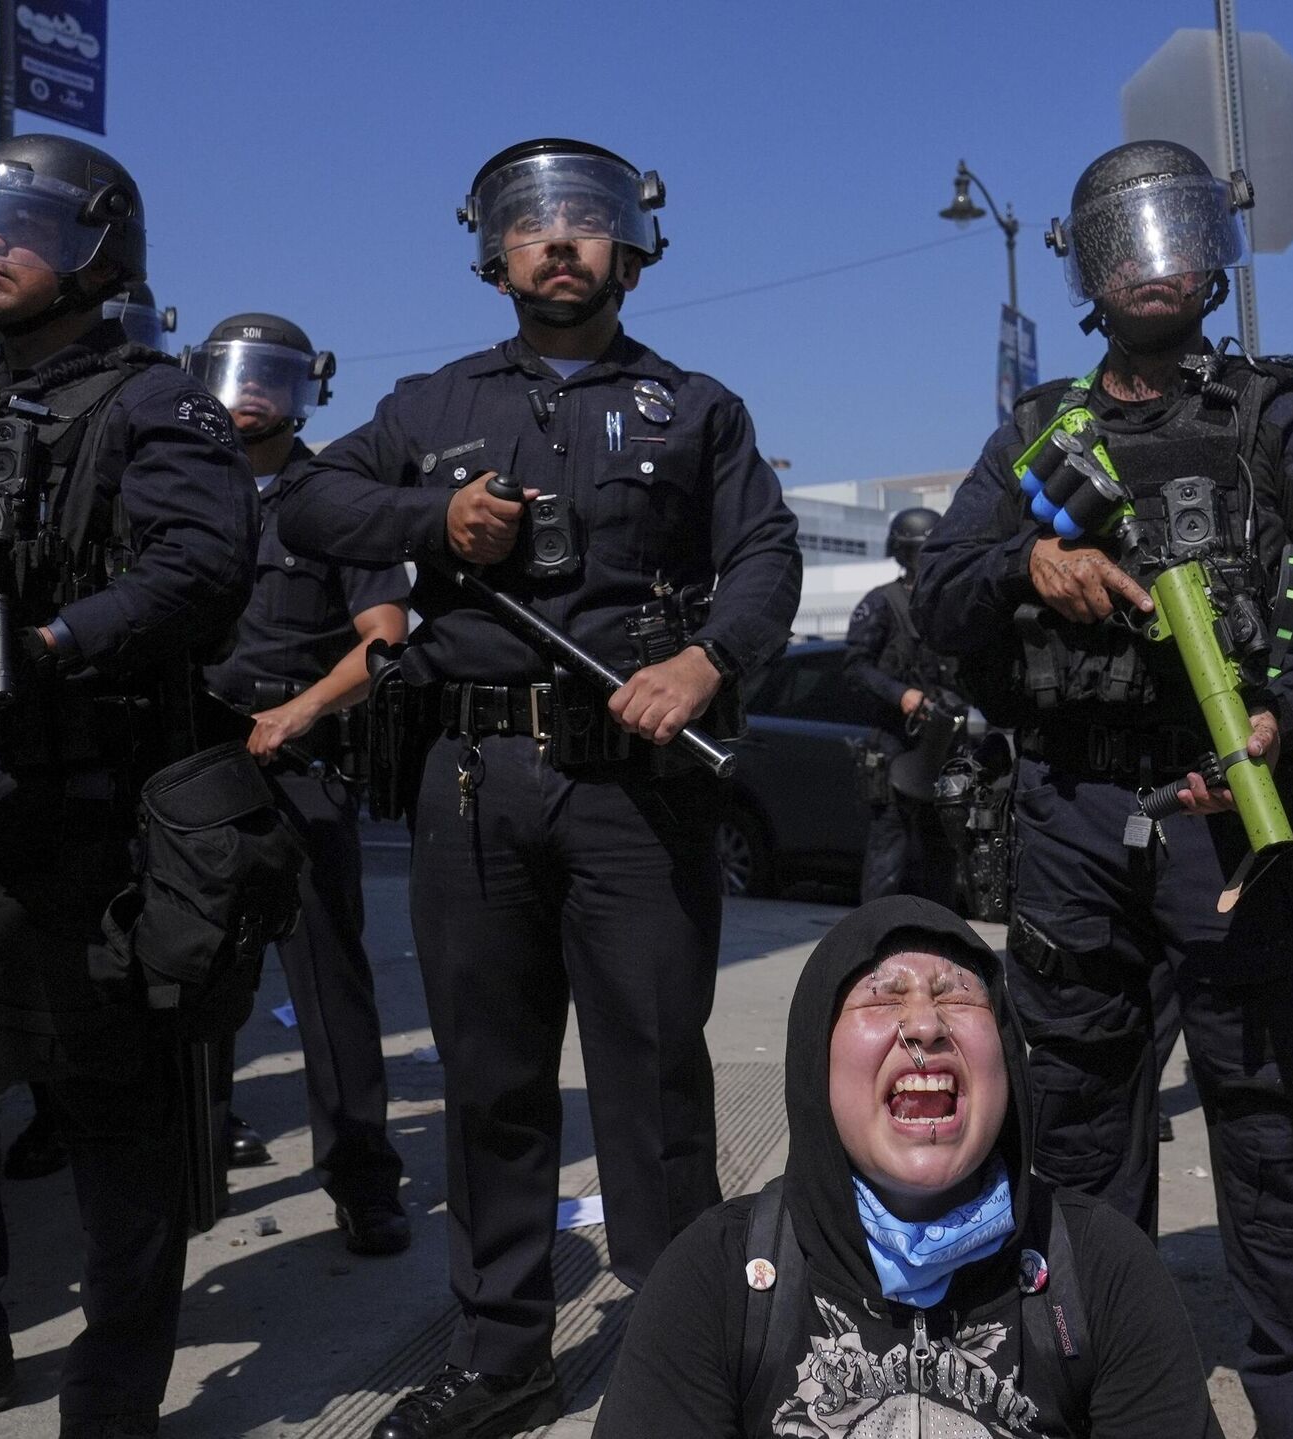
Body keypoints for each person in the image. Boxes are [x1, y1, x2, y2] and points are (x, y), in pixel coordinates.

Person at [279, 137, 802, 1439]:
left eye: (586, 221)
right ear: (494, 253)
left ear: (634, 252)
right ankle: (504, 1355)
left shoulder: (698, 409)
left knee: (653, 1078)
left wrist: (705, 659)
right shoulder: (429, 406)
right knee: (491, 1082)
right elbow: (309, 503)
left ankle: (685, 1356)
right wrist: (434, 523)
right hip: (473, 785)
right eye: (532, 222)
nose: (559, 240)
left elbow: (767, 554)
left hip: (639, 789)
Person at [914, 140, 1293, 1435]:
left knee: (1269, 1115)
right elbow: (939, 593)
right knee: (1075, 1122)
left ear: (1215, 260)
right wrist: (1027, 563)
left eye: (1178, 235)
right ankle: (1097, 1374)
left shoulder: (1271, 420)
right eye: (1125, 241)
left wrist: (1292, 712)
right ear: (1087, 271)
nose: (1154, 264)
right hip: (1075, 814)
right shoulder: (1039, 435)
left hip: (1231, 809)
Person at [0, 134, 258, 1436]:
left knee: (117, 1141)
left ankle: (109, 1403)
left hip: (95, 821)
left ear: (99, 249)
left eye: (25, 224)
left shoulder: (156, 402)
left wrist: (51, 642)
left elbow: (201, 568)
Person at [597, 895, 1224, 1438]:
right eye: (881, 998)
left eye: (958, 995)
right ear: (816, 1058)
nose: (925, 1024)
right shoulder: (716, 1276)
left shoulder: (1102, 1268)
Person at [190, 311, 413, 1252]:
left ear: (306, 391)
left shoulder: (335, 504)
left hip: (299, 768)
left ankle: (363, 1180)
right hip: (191, 772)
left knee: (328, 985)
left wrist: (300, 712)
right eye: (233, 372)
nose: (249, 393)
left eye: (272, 378)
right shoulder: (175, 489)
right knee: (189, 971)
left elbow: (385, 639)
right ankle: (194, 1156)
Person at [845, 506, 961, 903]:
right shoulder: (882, 602)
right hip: (895, 746)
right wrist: (901, 695)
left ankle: (939, 934)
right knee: (887, 857)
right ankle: (875, 936)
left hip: (944, 745)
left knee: (942, 856)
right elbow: (855, 667)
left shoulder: (948, 604)